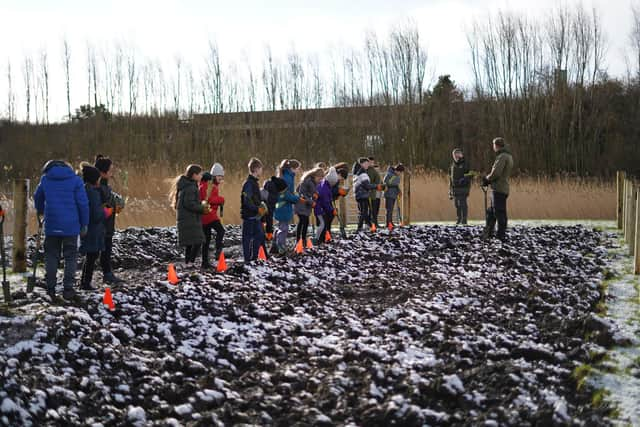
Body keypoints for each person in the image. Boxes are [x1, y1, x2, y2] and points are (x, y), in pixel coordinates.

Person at [34, 160, 89, 300]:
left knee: (51, 255)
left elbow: (37, 197)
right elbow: (83, 204)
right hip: (71, 226)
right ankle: (68, 289)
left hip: (52, 225)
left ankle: (51, 289)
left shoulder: (45, 179)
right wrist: (84, 224)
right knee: (71, 256)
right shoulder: (76, 180)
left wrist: (40, 210)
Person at [94, 155, 126, 284]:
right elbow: (108, 201)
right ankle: (106, 274)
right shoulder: (100, 185)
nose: (112, 172)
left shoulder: (101, 183)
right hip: (103, 223)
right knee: (101, 250)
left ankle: (106, 273)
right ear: (103, 171)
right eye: (110, 169)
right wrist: (116, 204)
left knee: (104, 249)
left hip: (105, 222)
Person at [170, 164, 209, 266]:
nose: (201, 176)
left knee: (189, 243)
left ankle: (188, 263)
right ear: (194, 175)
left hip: (187, 218)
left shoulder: (186, 185)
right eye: (200, 174)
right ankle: (190, 262)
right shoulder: (191, 187)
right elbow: (190, 204)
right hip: (190, 219)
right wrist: (202, 208)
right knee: (198, 241)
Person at [79, 164, 107, 291]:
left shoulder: (84, 190)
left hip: (87, 229)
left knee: (90, 256)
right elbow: (96, 214)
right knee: (92, 256)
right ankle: (85, 283)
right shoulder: (93, 193)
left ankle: (84, 282)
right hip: (94, 230)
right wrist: (106, 212)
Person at [482, 137, 514, 241]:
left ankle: (501, 235)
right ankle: (488, 233)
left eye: (493, 145)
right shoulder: (508, 156)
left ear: (497, 145)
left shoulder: (502, 157)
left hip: (499, 189)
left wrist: (487, 179)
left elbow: (496, 173)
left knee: (499, 212)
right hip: (501, 188)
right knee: (491, 212)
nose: (493, 147)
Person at [241, 158, 268, 262]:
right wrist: (257, 209)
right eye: (261, 169)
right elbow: (247, 200)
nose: (262, 171)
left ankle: (254, 257)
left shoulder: (254, 183)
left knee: (260, 235)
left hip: (256, 215)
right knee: (247, 238)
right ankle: (247, 260)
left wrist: (261, 206)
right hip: (249, 215)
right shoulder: (248, 183)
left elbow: (255, 199)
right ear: (256, 169)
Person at [199, 163, 225, 269]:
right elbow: (208, 199)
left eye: (222, 177)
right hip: (208, 215)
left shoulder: (209, 185)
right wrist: (221, 200)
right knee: (221, 231)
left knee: (206, 239)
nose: (221, 178)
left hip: (206, 216)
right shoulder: (208, 185)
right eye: (219, 176)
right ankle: (218, 251)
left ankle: (204, 263)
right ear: (214, 176)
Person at [273, 159, 301, 254]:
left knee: (280, 226)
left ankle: (275, 245)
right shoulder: (287, 178)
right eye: (297, 169)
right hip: (283, 206)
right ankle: (281, 247)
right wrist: (296, 198)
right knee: (283, 228)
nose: (298, 171)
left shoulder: (285, 176)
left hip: (280, 205)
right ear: (292, 168)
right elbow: (286, 195)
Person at [295, 167, 323, 244]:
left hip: (305, 205)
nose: (320, 180)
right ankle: (300, 240)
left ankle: (301, 240)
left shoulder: (313, 182)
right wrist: (311, 201)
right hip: (301, 204)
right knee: (304, 222)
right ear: (315, 176)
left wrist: (315, 195)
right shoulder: (307, 181)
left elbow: (310, 192)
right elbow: (302, 194)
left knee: (304, 222)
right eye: (319, 178)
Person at [353, 158, 380, 232]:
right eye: (366, 163)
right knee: (364, 212)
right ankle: (360, 228)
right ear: (362, 164)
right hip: (362, 194)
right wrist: (376, 186)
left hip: (360, 194)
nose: (368, 165)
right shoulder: (362, 173)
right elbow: (367, 185)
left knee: (364, 212)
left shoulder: (357, 172)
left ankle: (370, 225)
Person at [315, 166, 339, 243]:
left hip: (322, 209)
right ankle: (318, 239)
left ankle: (322, 239)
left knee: (324, 224)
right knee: (322, 225)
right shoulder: (325, 188)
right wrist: (332, 210)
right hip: (320, 209)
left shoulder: (326, 185)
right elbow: (325, 202)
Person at [449, 149, 471, 225]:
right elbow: (450, 178)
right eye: (454, 155)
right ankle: (459, 218)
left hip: (463, 187)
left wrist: (464, 179)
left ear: (461, 154)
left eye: (457, 154)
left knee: (462, 203)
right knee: (456, 204)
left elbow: (471, 174)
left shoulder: (466, 163)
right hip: (455, 188)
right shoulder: (452, 165)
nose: (455, 156)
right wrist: (450, 190)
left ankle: (464, 220)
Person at [383, 163, 405, 228]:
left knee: (391, 209)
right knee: (389, 210)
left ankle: (390, 222)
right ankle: (388, 223)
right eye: (400, 172)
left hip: (393, 194)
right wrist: (395, 184)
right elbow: (386, 182)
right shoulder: (389, 174)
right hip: (389, 194)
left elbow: (396, 185)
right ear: (397, 170)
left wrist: (399, 191)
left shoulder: (396, 176)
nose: (400, 174)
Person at [366, 157, 382, 228]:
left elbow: (378, 181)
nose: (372, 163)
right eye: (370, 162)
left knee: (375, 209)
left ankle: (374, 223)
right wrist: (375, 185)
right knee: (371, 210)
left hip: (376, 194)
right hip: (370, 193)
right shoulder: (367, 171)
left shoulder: (373, 171)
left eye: (373, 162)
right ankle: (370, 223)